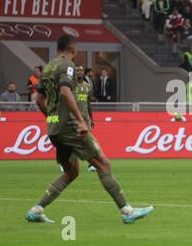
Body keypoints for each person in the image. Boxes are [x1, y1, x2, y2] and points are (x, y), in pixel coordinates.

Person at [26, 34, 153, 224]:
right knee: (103, 164)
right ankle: (127, 211)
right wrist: (80, 120)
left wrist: (52, 118)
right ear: (72, 49)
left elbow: (38, 98)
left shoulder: (48, 67)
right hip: (70, 127)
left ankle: (37, 210)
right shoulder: (66, 65)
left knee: (71, 172)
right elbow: (65, 91)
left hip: (54, 128)